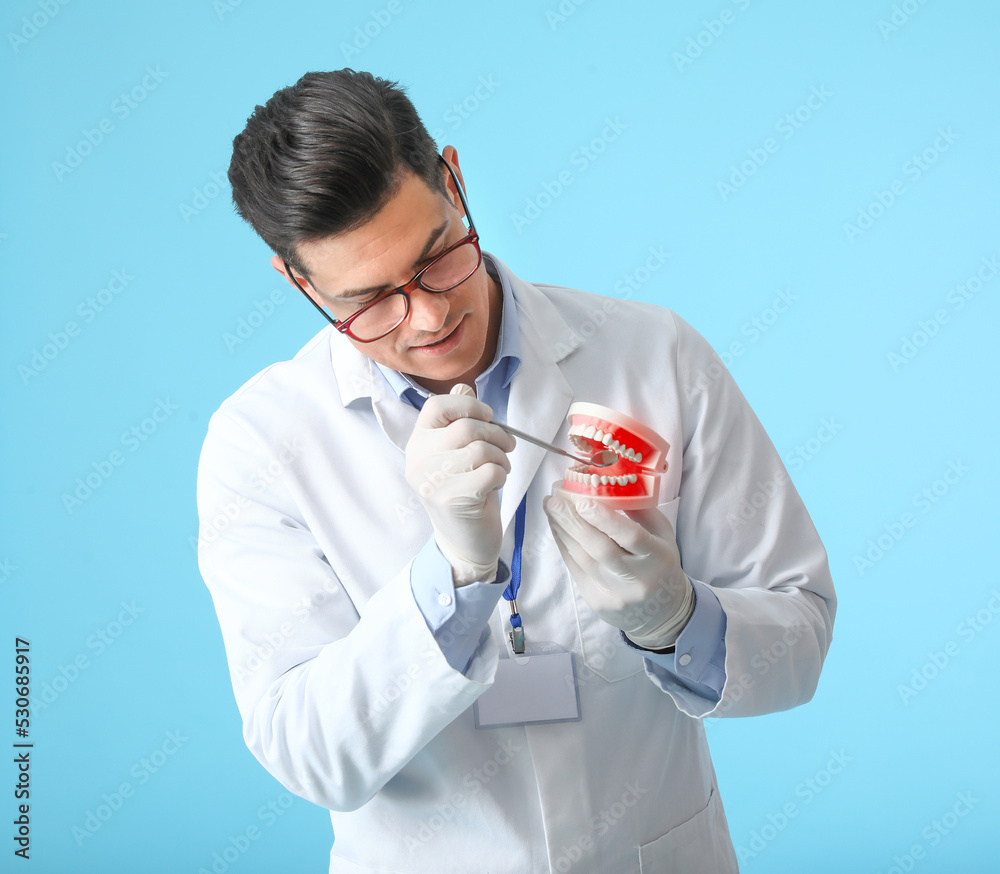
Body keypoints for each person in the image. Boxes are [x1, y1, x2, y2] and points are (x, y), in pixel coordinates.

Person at [196, 68, 836, 873]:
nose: (429, 316)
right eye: (370, 301)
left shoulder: (655, 354)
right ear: (298, 281)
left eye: (439, 258)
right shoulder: (263, 444)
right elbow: (308, 752)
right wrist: (454, 580)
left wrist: (676, 620)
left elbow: (803, 632)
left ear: (454, 180)